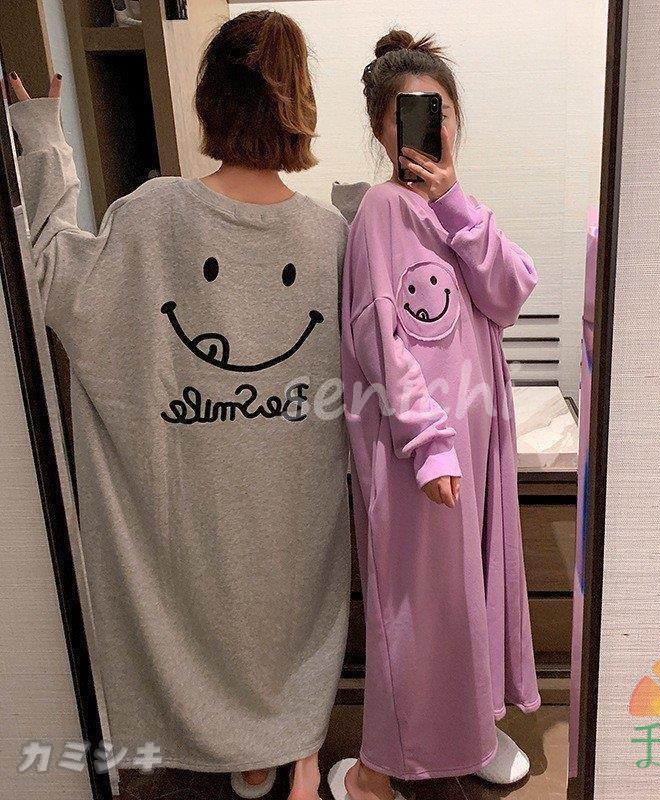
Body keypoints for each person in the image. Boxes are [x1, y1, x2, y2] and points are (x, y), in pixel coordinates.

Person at [9, 10, 349, 799]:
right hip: (289, 514)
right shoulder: (330, 238)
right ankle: (280, 747)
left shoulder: (151, 215)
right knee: (286, 618)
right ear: (300, 100)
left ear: (209, 100)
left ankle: (254, 749)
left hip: (193, 515)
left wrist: (43, 139)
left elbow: (52, 276)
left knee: (215, 602)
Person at [329, 30, 541, 800]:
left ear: (456, 120)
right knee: (420, 617)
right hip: (420, 458)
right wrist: (429, 446)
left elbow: (510, 292)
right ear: (380, 128)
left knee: (470, 603)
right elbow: (379, 341)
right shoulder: (381, 212)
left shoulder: (460, 213)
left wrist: (453, 200)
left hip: (475, 451)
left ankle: (471, 733)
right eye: (408, 114)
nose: (427, 125)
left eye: (439, 110)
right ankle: (378, 773)